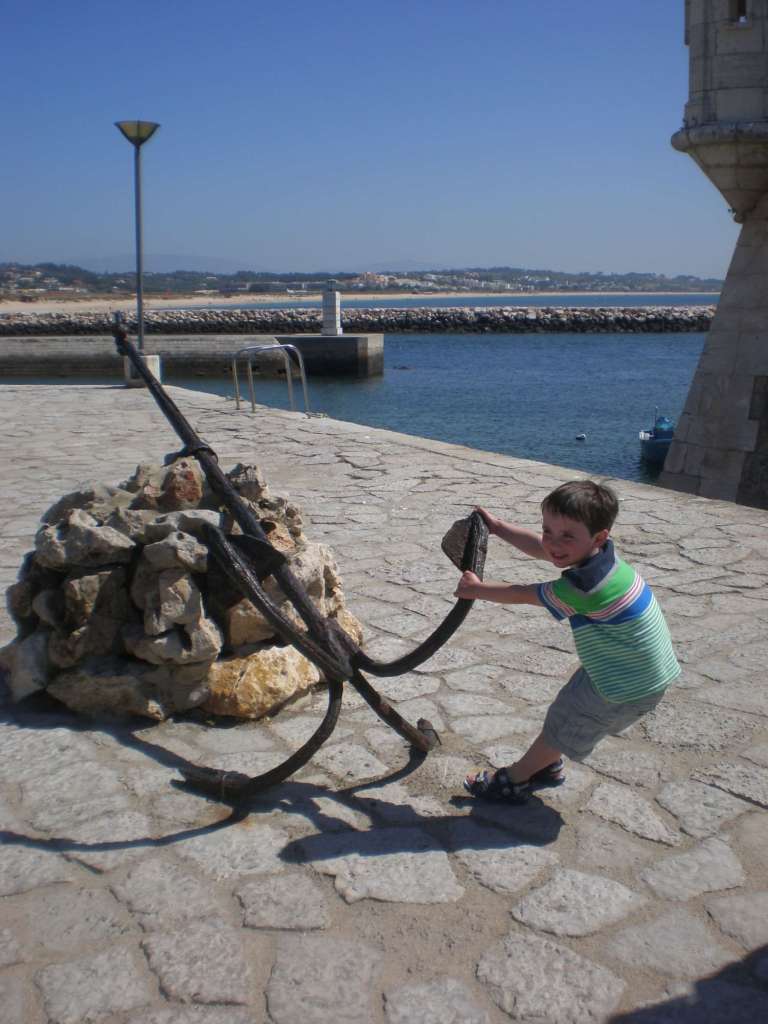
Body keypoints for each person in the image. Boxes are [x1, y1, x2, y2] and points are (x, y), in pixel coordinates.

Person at [454, 479, 679, 803]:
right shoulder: (601, 557)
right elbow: (542, 547)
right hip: (626, 665)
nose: (554, 543)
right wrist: (499, 528)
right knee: (564, 713)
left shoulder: (584, 588)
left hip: (625, 684)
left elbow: (522, 593)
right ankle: (545, 766)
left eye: (567, 536)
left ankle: (514, 780)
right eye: (548, 530)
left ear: (598, 537)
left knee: (564, 724)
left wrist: (475, 589)